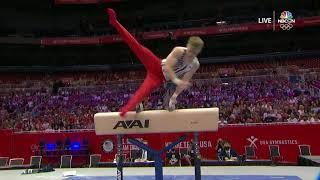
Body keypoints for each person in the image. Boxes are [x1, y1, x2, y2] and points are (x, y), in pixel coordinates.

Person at [106, 8, 203, 117]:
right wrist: (176, 79)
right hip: (156, 63)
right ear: (187, 46)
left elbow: (184, 80)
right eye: (189, 50)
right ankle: (115, 22)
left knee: (142, 92)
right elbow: (167, 67)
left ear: (198, 52)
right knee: (135, 45)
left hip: (158, 78)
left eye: (193, 53)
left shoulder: (195, 64)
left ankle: (126, 109)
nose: (190, 54)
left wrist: (174, 97)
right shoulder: (179, 50)